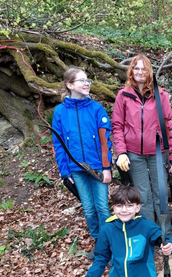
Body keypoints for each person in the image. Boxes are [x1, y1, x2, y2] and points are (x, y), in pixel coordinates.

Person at [112, 54, 172, 235]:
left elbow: (168, 125)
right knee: (143, 196)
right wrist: (122, 152)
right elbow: (117, 126)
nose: (140, 72)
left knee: (160, 194)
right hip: (134, 153)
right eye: (136, 68)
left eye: (143, 68)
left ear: (149, 71)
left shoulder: (160, 94)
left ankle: (165, 235)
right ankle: (150, 234)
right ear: (131, 71)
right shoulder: (123, 95)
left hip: (157, 152)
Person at [52, 67, 112, 259]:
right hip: (75, 169)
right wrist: (64, 171)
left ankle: (108, 244)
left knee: (102, 206)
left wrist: (106, 167)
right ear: (70, 85)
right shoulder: (60, 112)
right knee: (88, 207)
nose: (87, 84)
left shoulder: (96, 108)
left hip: (97, 167)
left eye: (88, 80)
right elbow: (58, 144)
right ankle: (98, 242)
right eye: (82, 80)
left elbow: (105, 141)